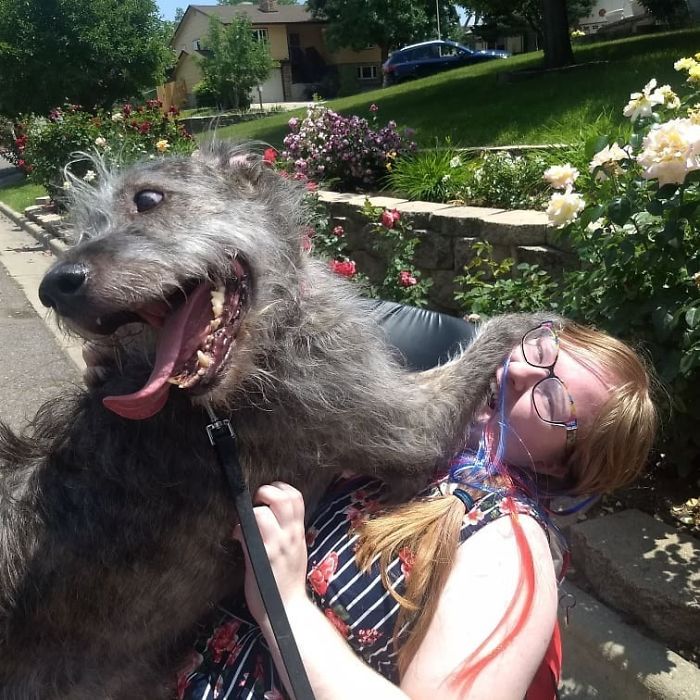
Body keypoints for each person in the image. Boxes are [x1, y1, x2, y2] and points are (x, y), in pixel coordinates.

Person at [176, 317, 657, 700]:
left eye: (553, 397)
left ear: (558, 468)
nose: (523, 370)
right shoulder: (421, 445)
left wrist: (285, 603)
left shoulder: (507, 547)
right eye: (541, 349)